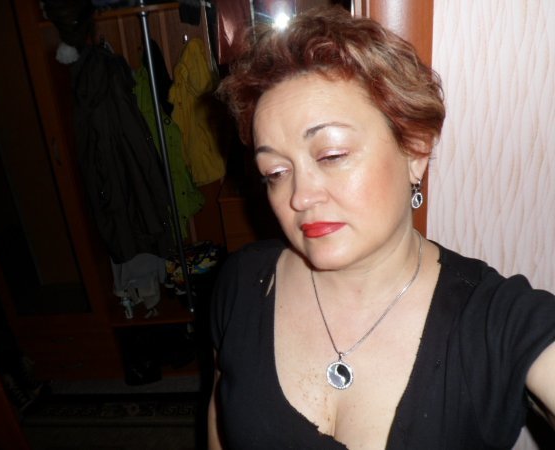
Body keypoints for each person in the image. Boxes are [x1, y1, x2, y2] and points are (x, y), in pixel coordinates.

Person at [207, 6, 555, 449]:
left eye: (331, 155)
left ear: (415, 149)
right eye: (275, 172)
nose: (300, 197)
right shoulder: (241, 282)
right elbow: (220, 416)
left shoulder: (500, 322)